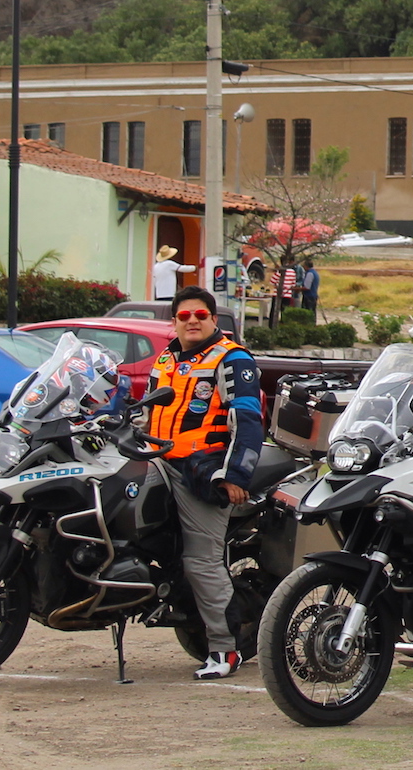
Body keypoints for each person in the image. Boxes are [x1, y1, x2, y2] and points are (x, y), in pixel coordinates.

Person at [146, 285, 263, 679]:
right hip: (158, 462)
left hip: (200, 470)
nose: (192, 321)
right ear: (174, 322)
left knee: (201, 560)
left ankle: (225, 650)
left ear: (214, 319)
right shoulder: (166, 360)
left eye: (200, 315)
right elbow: (146, 414)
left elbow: (247, 421)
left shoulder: (232, 360)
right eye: (184, 316)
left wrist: (234, 476)